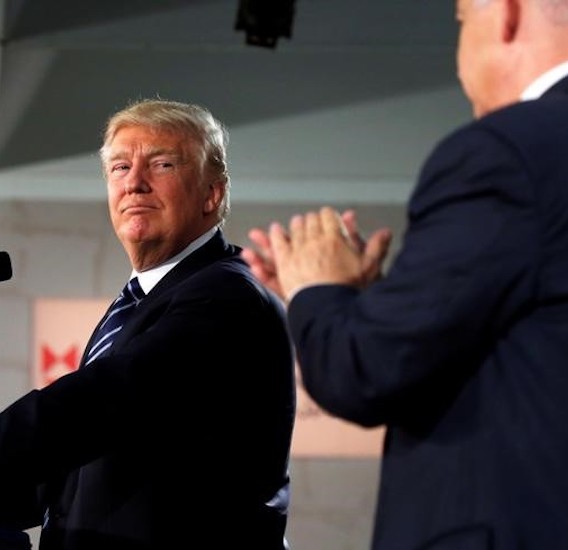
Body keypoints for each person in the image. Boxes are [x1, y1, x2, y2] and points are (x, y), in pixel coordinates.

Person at [241, 0, 568, 548]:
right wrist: (365, 305)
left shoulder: (508, 152)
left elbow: (365, 371)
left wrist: (317, 289)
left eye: (462, 19)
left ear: (506, 13)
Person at [0, 98, 296, 549]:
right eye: (119, 168)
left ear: (211, 194)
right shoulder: (144, 301)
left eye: (161, 164)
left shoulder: (226, 295)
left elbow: (106, 400)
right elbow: (87, 457)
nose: (134, 184)